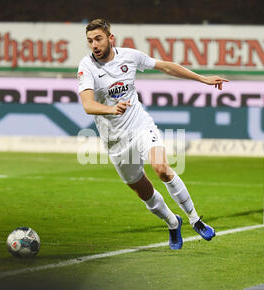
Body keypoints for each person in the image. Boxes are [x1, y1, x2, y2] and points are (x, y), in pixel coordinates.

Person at [77, 18, 229, 250]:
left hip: (140, 125)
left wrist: (202, 78)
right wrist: (110, 109)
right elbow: (88, 105)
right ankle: (172, 221)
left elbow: (165, 66)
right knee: (142, 190)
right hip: (115, 140)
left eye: (98, 39)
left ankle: (195, 220)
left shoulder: (130, 56)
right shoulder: (86, 67)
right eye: (89, 41)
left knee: (162, 168)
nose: (94, 45)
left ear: (110, 38)